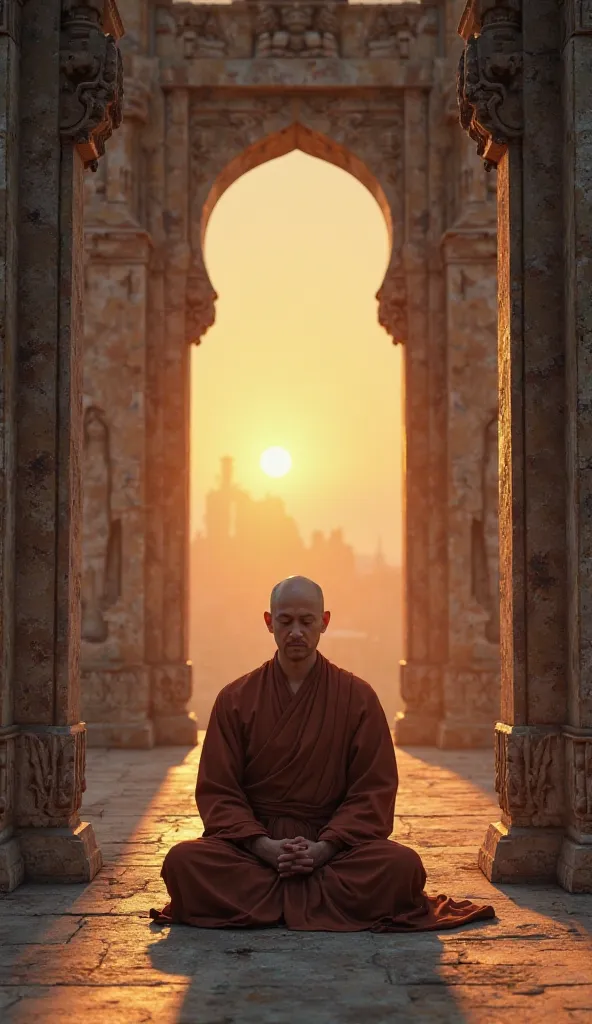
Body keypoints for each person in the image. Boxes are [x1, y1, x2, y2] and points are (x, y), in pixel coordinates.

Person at [150, 576, 495, 931]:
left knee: (403, 867)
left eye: (306, 621)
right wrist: (265, 847)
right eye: (285, 621)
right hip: (256, 847)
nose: (296, 632)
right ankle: (315, 896)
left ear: (324, 622)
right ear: (269, 622)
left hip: (335, 847)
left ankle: (271, 898)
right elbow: (219, 791)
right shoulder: (235, 698)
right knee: (182, 862)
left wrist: (324, 848)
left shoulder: (357, 697)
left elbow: (372, 791)